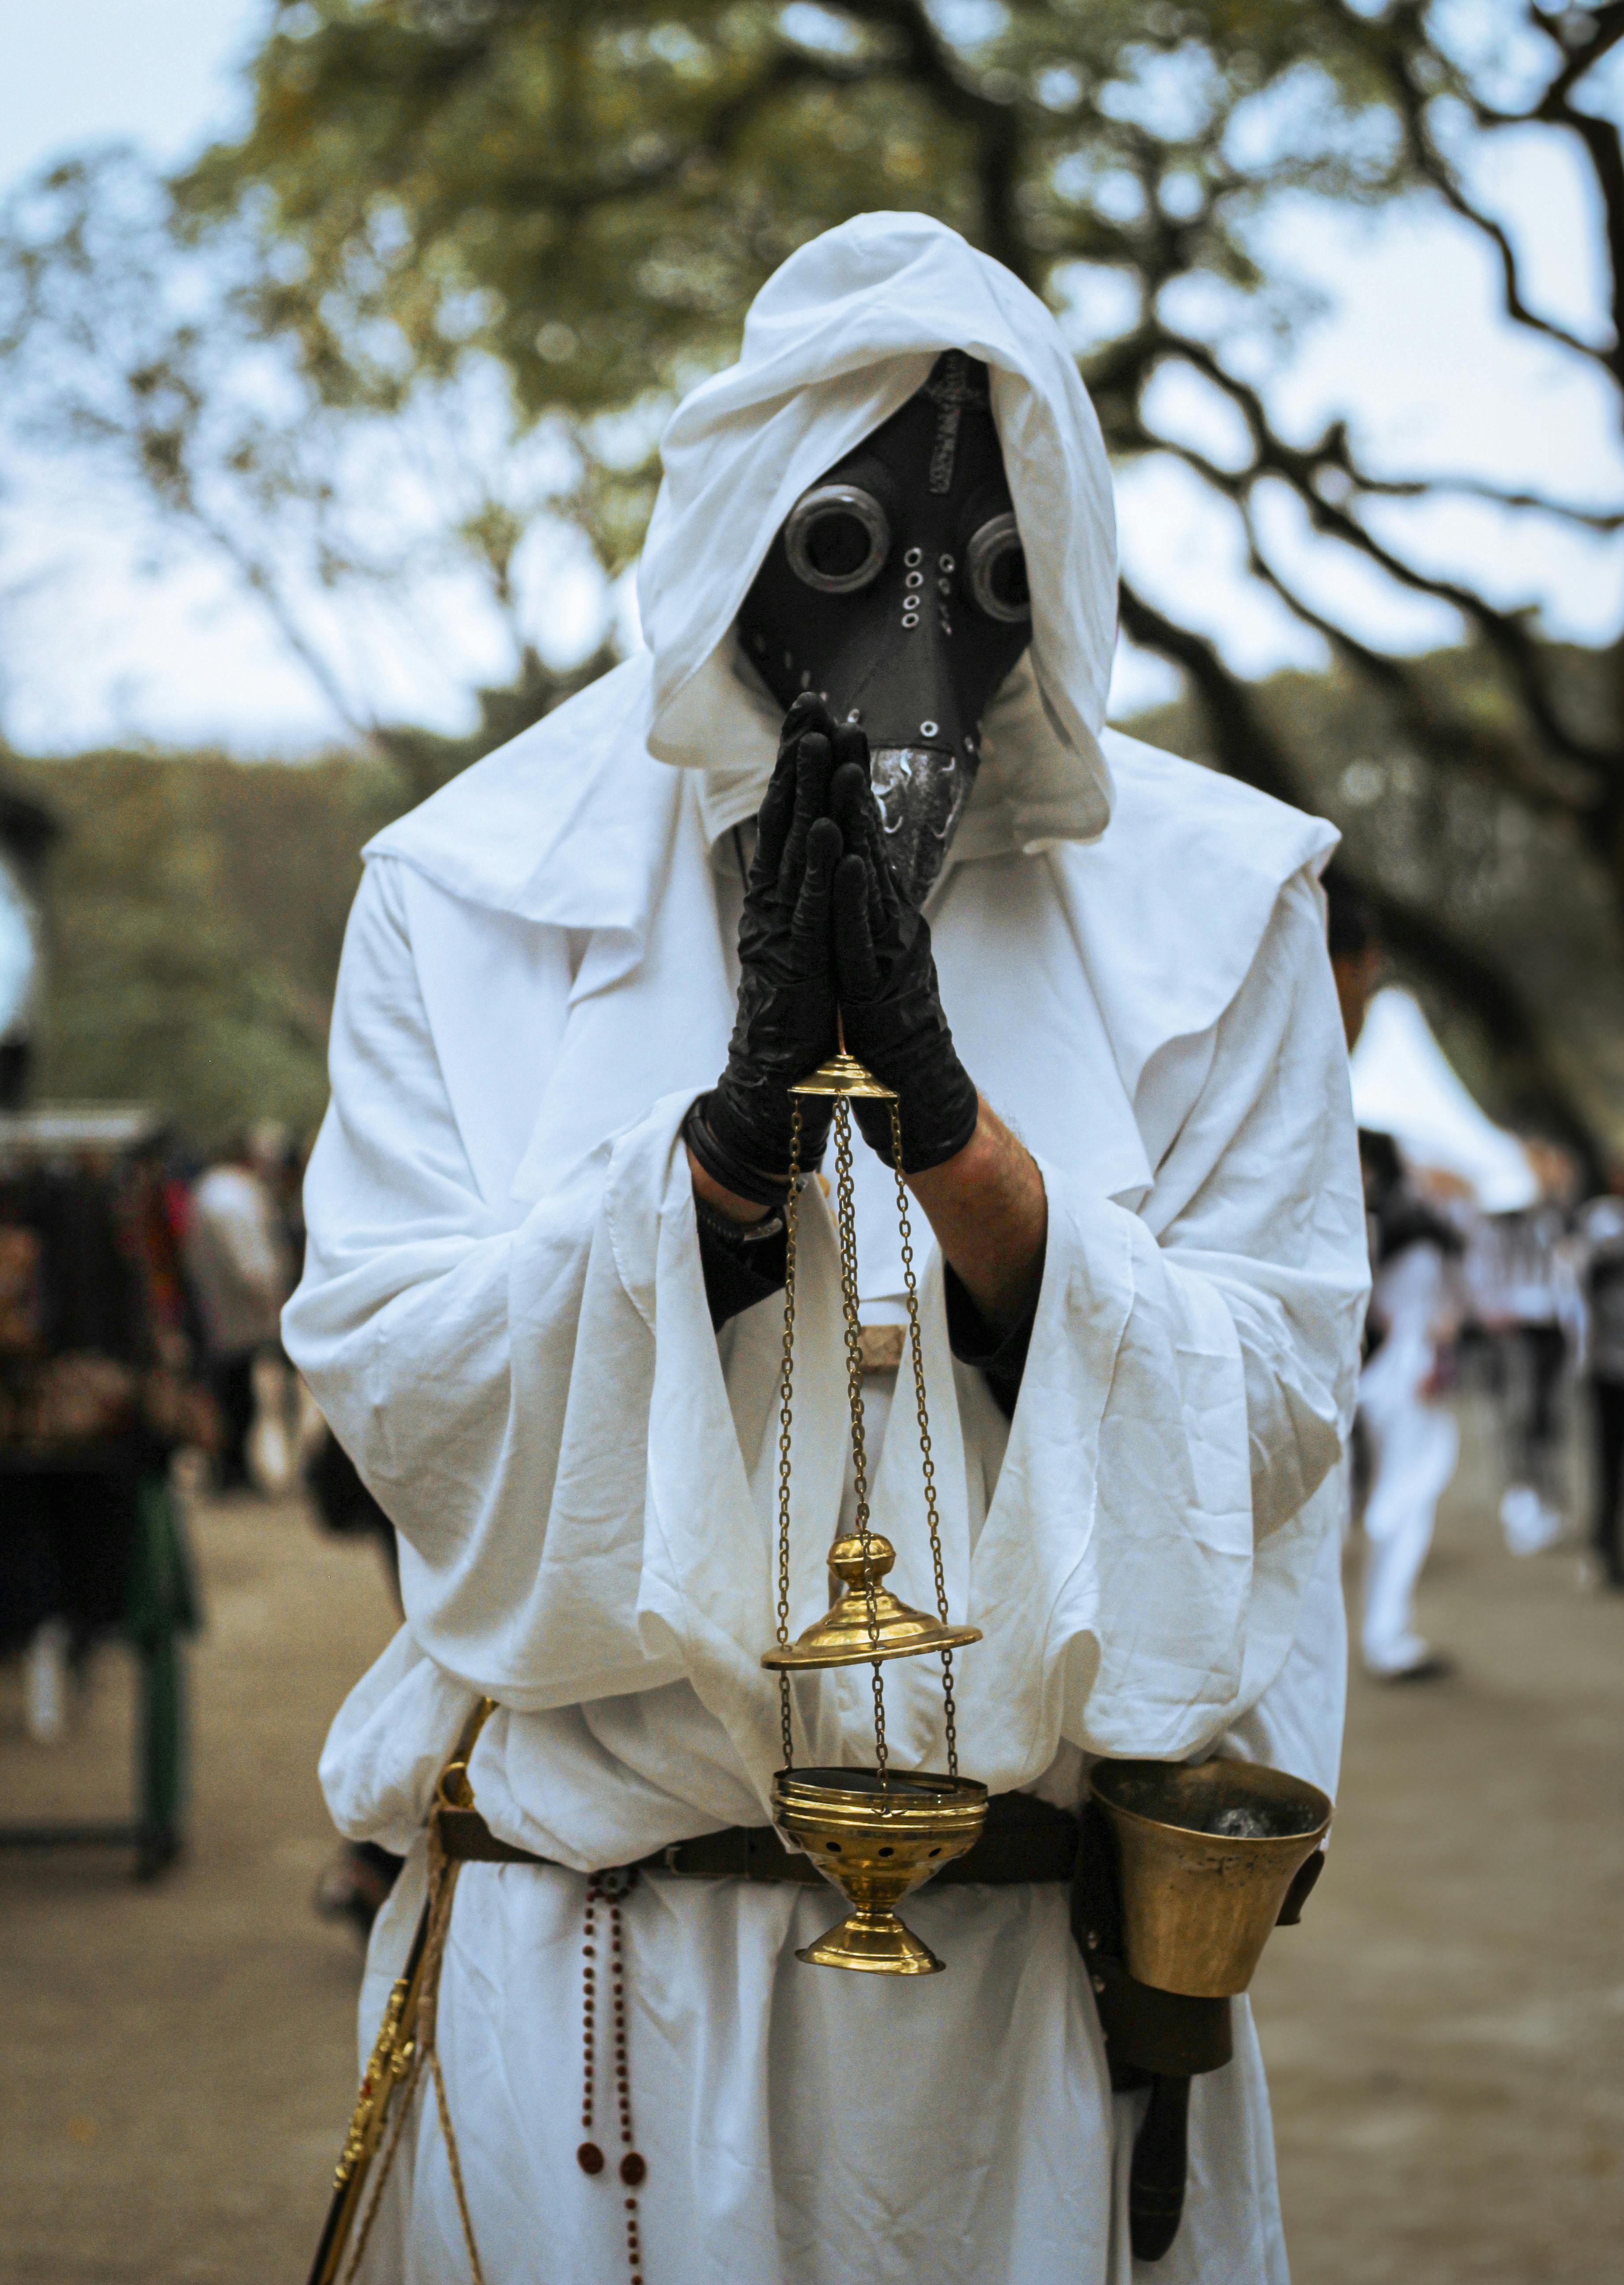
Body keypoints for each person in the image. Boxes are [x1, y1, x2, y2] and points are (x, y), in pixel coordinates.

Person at [286, 215, 1367, 2285]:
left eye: (989, 567)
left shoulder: (1222, 916)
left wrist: (963, 1153)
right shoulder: (469, 895)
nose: (917, 633)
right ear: (736, 536)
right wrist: (712, 1175)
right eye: (853, 550)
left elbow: (1277, 1420)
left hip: (1031, 2027)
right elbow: (400, 1410)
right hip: (602, 2003)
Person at [1354, 1131, 1464, 1681]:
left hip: (1390, 1377)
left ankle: (1387, 1630)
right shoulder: (1404, 1223)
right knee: (1401, 1506)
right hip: (1400, 1378)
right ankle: (1386, 1634)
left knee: (1399, 1504)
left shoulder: (1388, 1220)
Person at [183, 1132, 292, 1492]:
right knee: (237, 1398)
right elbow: (251, 1263)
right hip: (239, 1318)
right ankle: (233, 1472)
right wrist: (273, 1300)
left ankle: (231, 1470)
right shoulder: (232, 1195)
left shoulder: (212, 1190)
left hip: (222, 1316)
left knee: (232, 1394)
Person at [1576, 1162, 1624, 1590]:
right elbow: (1589, 1276)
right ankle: (1603, 1550)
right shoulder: (1601, 1220)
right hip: (1608, 1367)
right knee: (1607, 1464)